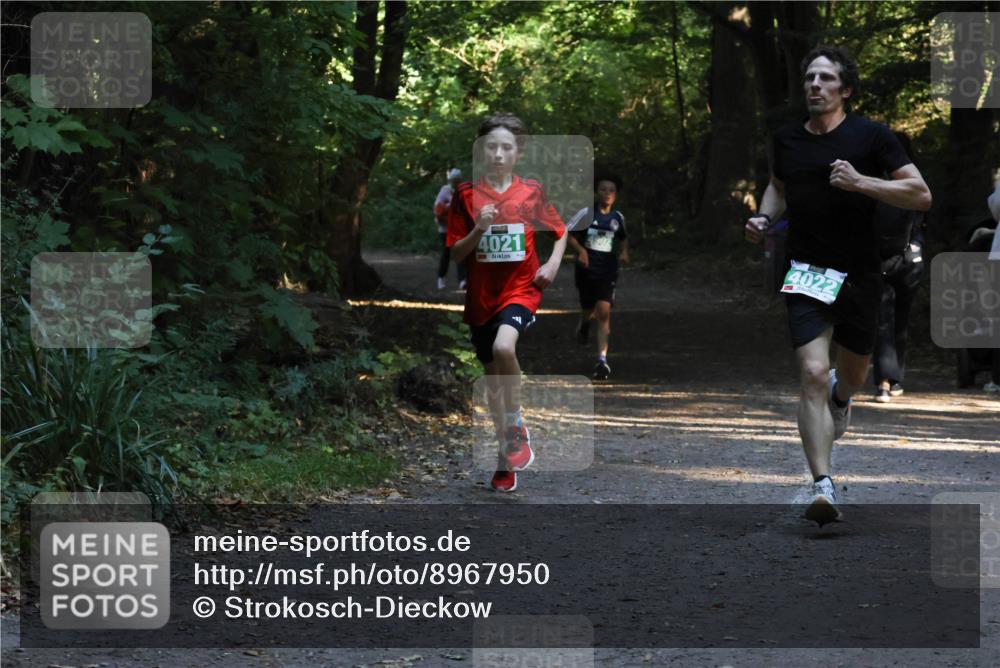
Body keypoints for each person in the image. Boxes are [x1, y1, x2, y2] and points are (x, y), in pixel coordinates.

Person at [744, 46, 932, 525]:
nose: (815, 85)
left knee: (851, 376)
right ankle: (822, 486)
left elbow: (920, 194)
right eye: (810, 78)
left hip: (861, 273)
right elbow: (779, 187)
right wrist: (766, 216)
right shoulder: (786, 140)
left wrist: (862, 183)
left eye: (826, 78)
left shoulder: (872, 136)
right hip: (806, 271)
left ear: (845, 89)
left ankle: (842, 400)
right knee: (810, 372)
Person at [447, 113, 569, 492]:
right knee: (492, 383)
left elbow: (560, 231)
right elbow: (455, 254)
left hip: (521, 288)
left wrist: (551, 264)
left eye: (507, 147)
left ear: (519, 153)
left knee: (504, 346)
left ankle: (516, 424)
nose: (498, 153)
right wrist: (478, 229)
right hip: (482, 297)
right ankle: (506, 457)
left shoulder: (530, 192)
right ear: (482, 151)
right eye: (492, 147)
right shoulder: (465, 196)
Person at [872, 132, 926, 403]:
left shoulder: (873, 182)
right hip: (910, 258)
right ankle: (893, 378)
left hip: (879, 258)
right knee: (898, 319)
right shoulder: (917, 184)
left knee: (884, 319)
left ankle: (885, 379)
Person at [567, 175, 629, 380]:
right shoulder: (586, 214)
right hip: (586, 270)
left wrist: (624, 252)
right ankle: (585, 323)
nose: (607, 193)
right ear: (596, 192)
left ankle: (602, 360)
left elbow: (623, 238)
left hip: (608, 271)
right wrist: (581, 251)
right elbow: (567, 233)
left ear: (616, 195)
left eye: (611, 190)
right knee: (588, 310)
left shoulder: (618, 217)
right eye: (603, 189)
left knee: (603, 311)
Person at [435, 168, 467, 290]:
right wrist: (451, 205)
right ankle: (441, 279)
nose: (456, 182)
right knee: (446, 254)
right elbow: (437, 207)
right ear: (451, 180)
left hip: (458, 229)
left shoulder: (462, 191)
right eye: (454, 180)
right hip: (445, 229)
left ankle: (462, 280)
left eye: (457, 180)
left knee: (460, 253)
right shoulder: (445, 190)